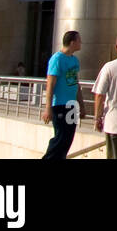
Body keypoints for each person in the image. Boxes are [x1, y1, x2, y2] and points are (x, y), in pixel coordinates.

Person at [41, 31, 83, 159]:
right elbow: (50, 84)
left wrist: (81, 104)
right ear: (72, 42)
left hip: (72, 105)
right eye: (79, 41)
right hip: (59, 104)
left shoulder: (74, 60)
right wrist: (47, 107)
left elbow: (76, 83)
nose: (81, 43)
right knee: (60, 137)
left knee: (68, 138)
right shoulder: (57, 59)